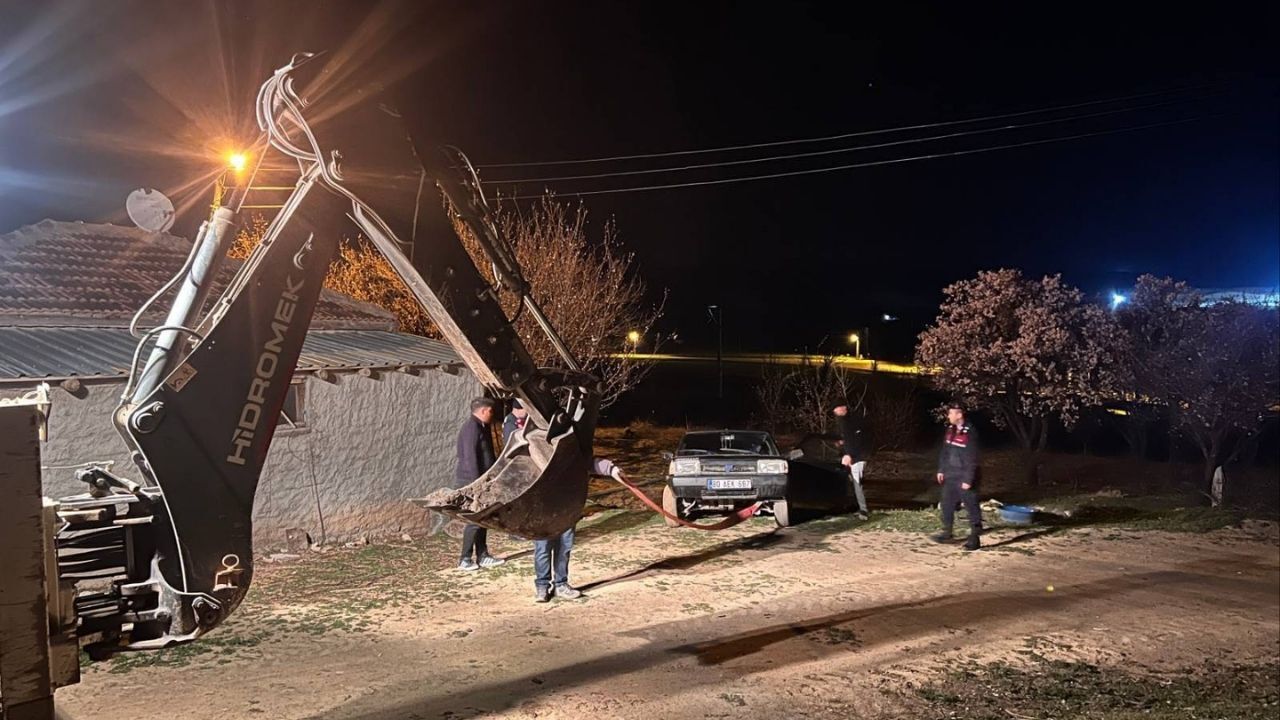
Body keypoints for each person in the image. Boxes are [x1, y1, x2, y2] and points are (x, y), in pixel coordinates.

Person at [532, 457, 627, 603]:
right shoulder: (535, 447)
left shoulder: (569, 447)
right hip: (542, 507)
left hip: (568, 505)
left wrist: (610, 469)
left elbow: (585, 460)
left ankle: (561, 584)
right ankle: (542, 586)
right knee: (543, 548)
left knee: (564, 547)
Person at [455, 397, 506, 571]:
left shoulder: (481, 427)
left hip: (482, 481)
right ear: (484, 411)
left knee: (483, 519)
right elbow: (470, 458)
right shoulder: (472, 428)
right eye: (491, 411)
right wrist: (477, 484)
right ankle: (465, 559)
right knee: (475, 519)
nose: (492, 414)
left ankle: (482, 555)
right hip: (472, 481)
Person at [933, 402, 982, 551]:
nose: (948, 416)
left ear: (959, 414)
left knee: (971, 506)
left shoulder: (970, 432)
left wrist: (968, 479)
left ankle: (975, 538)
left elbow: (973, 457)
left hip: (964, 475)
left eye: (951, 413)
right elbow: (945, 451)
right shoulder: (950, 430)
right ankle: (947, 532)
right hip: (951, 474)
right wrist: (941, 469)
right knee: (947, 504)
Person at [833, 404, 869, 518]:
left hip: (857, 458)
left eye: (838, 409)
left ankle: (863, 511)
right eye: (835, 410)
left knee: (857, 483)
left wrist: (851, 455)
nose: (836, 412)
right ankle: (857, 508)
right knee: (852, 483)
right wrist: (842, 443)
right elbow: (849, 440)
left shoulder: (853, 421)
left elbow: (858, 440)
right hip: (851, 457)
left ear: (844, 408)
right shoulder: (843, 422)